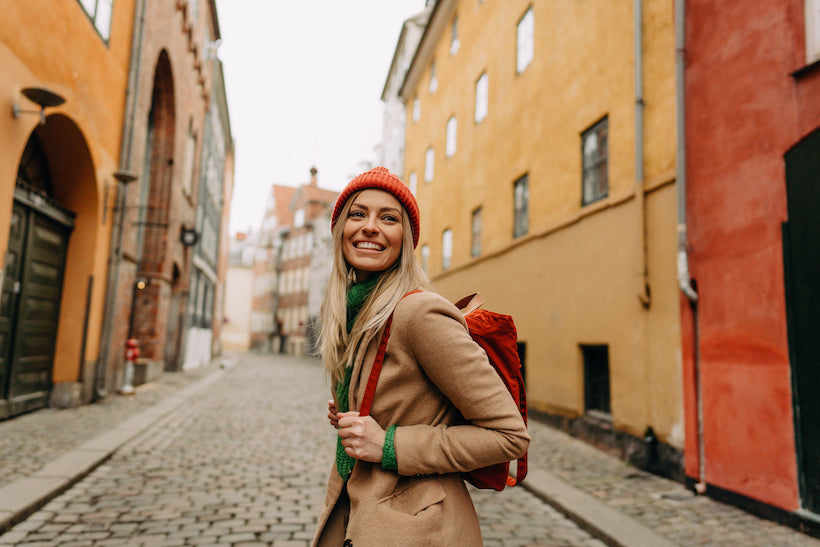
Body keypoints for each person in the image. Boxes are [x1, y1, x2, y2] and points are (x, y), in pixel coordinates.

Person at [313, 166, 530, 546]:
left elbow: (509, 435)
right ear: (340, 231)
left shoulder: (419, 314)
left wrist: (390, 445)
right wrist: (354, 405)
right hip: (363, 512)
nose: (369, 226)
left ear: (405, 240)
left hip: (416, 528)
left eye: (389, 218)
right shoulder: (354, 313)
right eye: (358, 213)